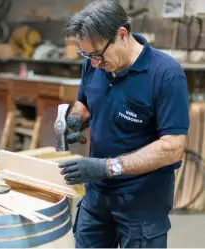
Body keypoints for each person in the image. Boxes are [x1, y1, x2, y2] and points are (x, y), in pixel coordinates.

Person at [59, 0, 189, 248]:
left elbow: (172, 146)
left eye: (97, 54)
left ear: (121, 35)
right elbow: (84, 101)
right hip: (96, 199)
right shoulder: (93, 63)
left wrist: (107, 167)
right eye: (87, 55)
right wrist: (76, 120)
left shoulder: (166, 75)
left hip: (141, 205)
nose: (94, 63)